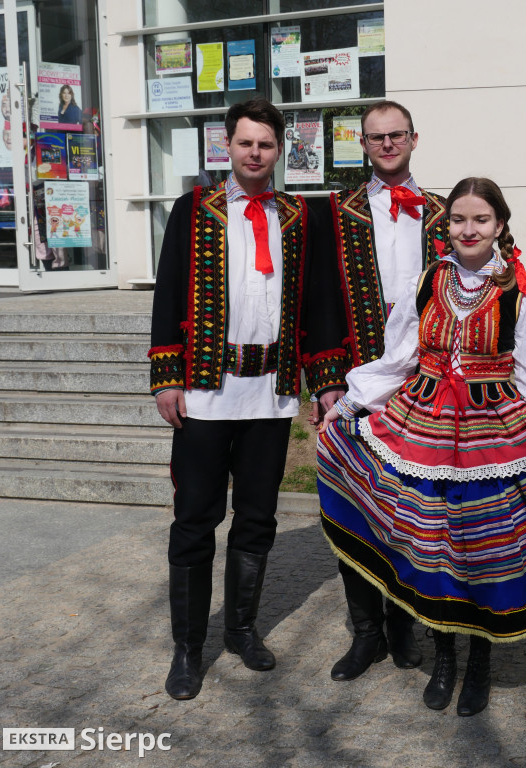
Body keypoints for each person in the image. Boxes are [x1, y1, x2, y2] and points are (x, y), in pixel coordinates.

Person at [317, 177, 526, 717]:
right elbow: (397, 358)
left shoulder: (516, 293)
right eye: (459, 220)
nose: (468, 230)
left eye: (480, 220)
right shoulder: (427, 282)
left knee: (481, 550)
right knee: (434, 546)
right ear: (445, 227)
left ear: (499, 226)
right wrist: (349, 406)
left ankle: (479, 662)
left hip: (492, 431)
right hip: (421, 425)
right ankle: (444, 656)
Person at [148, 97, 339, 701]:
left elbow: (317, 302)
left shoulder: (298, 217)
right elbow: (168, 291)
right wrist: (167, 376)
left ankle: (241, 630)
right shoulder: (193, 209)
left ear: (280, 151)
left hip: (271, 395)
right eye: (245, 143)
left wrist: (326, 380)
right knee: (195, 519)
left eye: (266, 144)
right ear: (226, 147)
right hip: (205, 391)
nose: (255, 153)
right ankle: (188, 650)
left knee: (257, 518)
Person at [308, 100, 448, 684]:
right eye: (376, 137)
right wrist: (325, 382)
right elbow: (317, 299)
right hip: (359, 382)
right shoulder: (334, 212)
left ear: (414, 139)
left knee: (416, 507)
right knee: (356, 504)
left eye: (396, 135)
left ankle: (404, 624)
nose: (387, 144)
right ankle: (366, 630)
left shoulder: (446, 210)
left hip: (428, 384)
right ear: (361, 145)